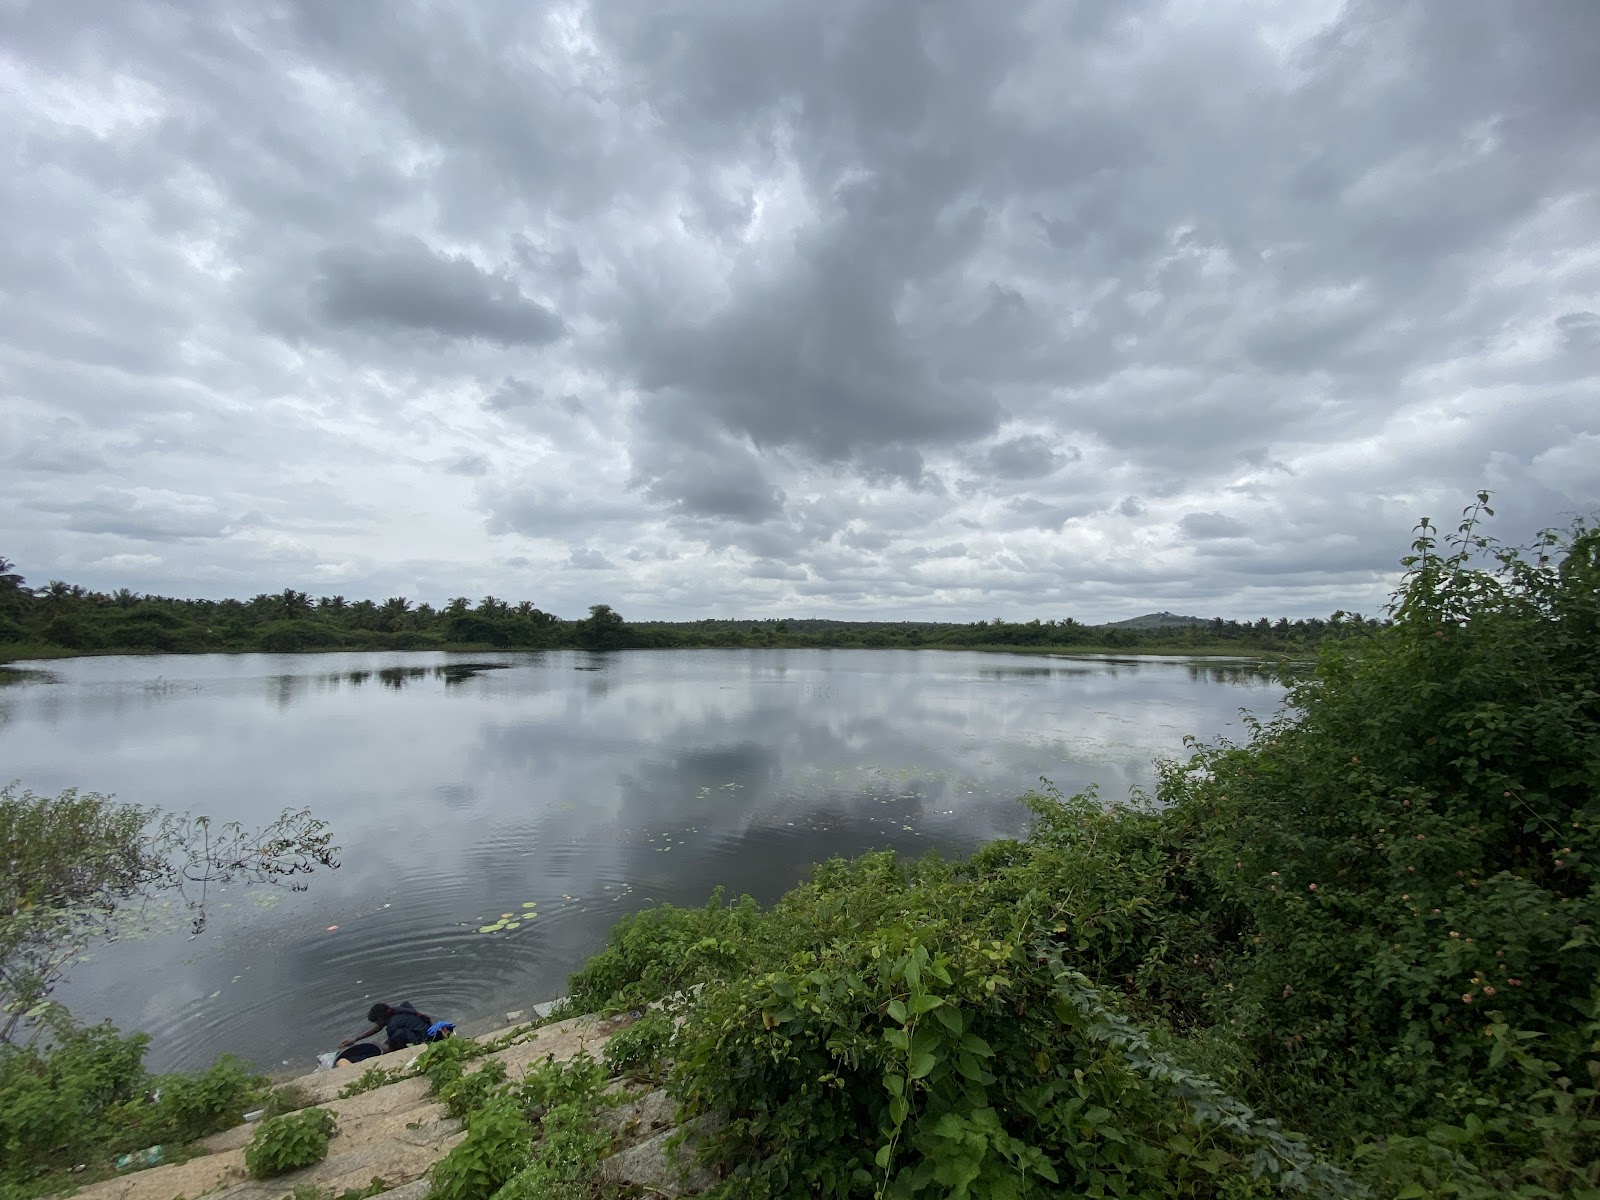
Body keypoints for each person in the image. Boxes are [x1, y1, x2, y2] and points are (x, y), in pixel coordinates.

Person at [340, 1000, 433, 1053]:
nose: (376, 1025)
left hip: (424, 1039)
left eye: (376, 1022)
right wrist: (355, 1039)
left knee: (395, 1038)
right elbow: (379, 1027)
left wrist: (378, 1046)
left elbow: (391, 1043)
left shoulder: (393, 1025)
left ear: (381, 1018)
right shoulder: (396, 1010)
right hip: (425, 1030)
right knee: (391, 1039)